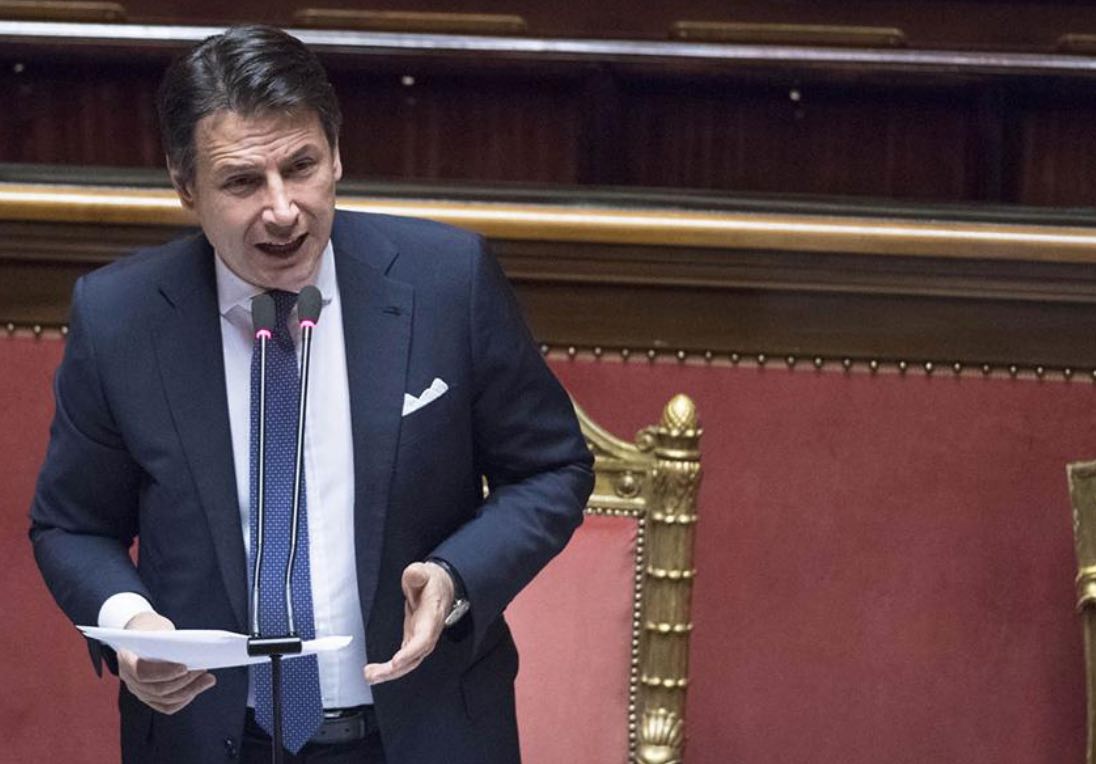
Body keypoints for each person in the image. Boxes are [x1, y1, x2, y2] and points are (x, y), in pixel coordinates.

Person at [29, 25, 593, 763]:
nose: (283, 209)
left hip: (422, 731)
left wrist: (456, 576)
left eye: (301, 167)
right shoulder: (120, 318)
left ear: (337, 155)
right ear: (184, 186)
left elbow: (551, 468)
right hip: (211, 737)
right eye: (242, 183)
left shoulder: (446, 281)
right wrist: (130, 621)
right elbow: (72, 525)